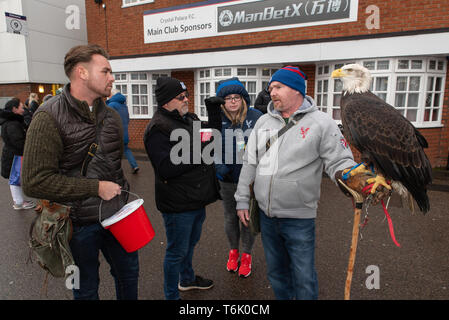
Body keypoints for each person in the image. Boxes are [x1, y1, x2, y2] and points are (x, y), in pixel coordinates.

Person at [235, 66, 381, 300]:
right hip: (266, 216)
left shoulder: (322, 123)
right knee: (276, 274)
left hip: (299, 218)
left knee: (303, 277)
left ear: (296, 90)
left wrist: (352, 179)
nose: (272, 92)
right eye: (271, 88)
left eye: (278, 87)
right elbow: (249, 162)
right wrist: (242, 198)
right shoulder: (263, 122)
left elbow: (339, 161)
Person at [22, 44, 139, 300]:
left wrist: (124, 199)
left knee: (129, 276)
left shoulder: (111, 117)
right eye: (105, 71)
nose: (112, 77)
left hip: (117, 216)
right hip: (77, 226)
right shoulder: (47, 117)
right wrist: (95, 187)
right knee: (85, 289)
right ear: (82, 73)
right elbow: (33, 182)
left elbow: (113, 165)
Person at [143, 76, 221, 300]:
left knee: (189, 244)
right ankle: (171, 296)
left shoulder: (187, 118)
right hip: (178, 204)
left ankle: (186, 280)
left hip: (196, 198)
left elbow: (212, 137)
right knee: (176, 251)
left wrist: (213, 112)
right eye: (181, 96)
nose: (186, 99)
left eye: (186, 95)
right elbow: (167, 168)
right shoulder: (158, 129)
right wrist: (200, 150)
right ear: (166, 101)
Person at [213, 77, 262, 278]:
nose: (233, 101)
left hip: (250, 181)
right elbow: (209, 146)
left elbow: (265, 146)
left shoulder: (256, 116)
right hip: (227, 179)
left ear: (243, 99)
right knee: (230, 218)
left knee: (247, 218)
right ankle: (234, 251)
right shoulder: (216, 118)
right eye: (228, 98)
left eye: (237, 97)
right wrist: (218, 165)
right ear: (222, 101)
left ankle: (247, 255)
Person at [0, 98, 35, 210]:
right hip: (15, 155)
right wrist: (28, 149)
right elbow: (18, 142)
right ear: (14, 109)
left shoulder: (11, 121)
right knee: (15, 179)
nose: (23, 109)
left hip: (13, 154)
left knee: (15, 178)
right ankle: (19, 202)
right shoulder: (12, 124)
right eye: (20, 107)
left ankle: (19, 201)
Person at [107, 88, 139, 174]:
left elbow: (107, 120)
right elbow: (127, 119)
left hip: (115, 134)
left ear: (113, 95)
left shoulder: (111, 105)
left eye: (109, 94)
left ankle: (114, 170)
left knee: (113, 152)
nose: (108, 96)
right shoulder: (124, 106)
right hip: (124, 133)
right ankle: (135, 165)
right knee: (126, 149)